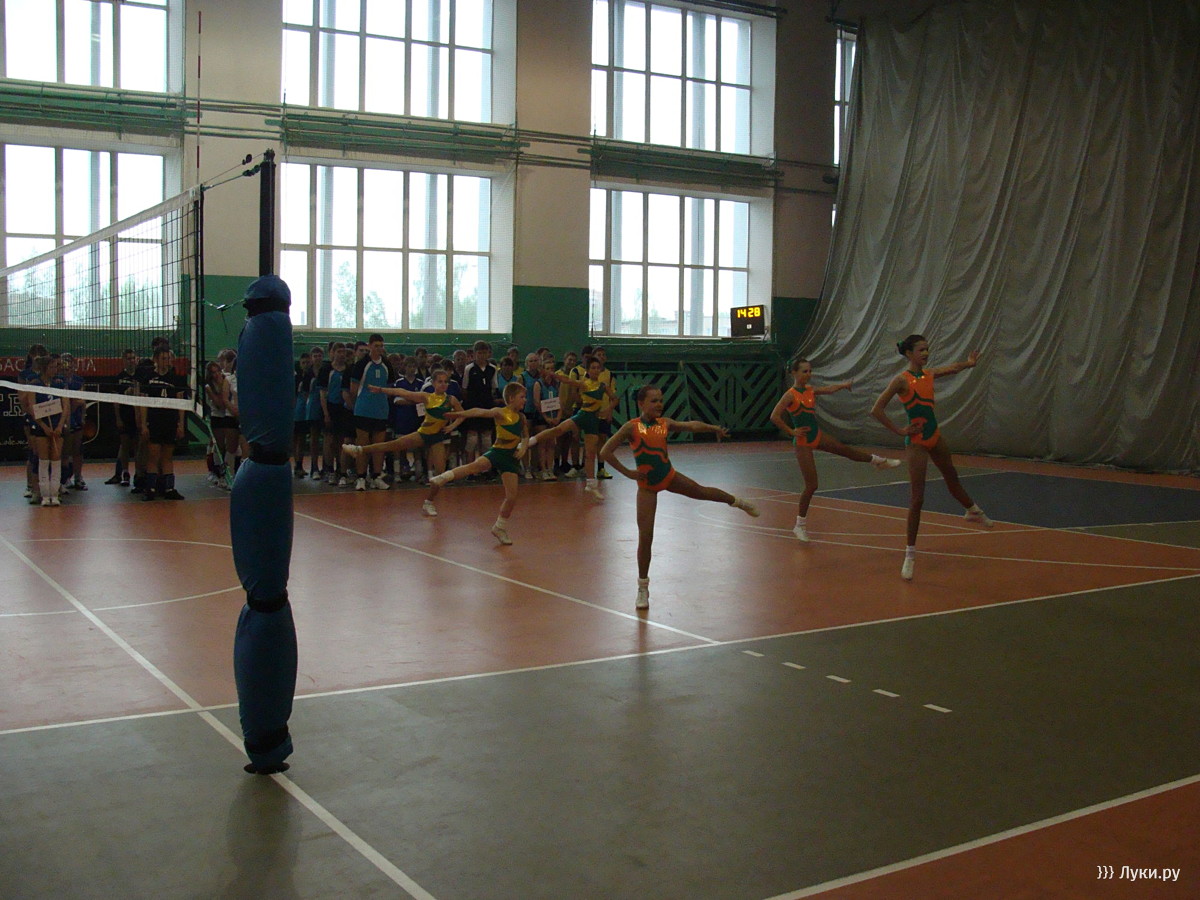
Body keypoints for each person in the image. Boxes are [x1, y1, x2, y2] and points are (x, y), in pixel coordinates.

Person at [600, 384, 760, 609]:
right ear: (641, 403)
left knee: (701, 491)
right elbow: (605, 451)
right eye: (654, 401)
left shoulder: (664, 424)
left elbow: (691, 426)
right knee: (646, 536)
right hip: (646, 487)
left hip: (669, 476)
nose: (659, 404)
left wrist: (713, 427)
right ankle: (643, 588)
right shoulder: (632, 427)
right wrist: (629, 473)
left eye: (661, 400)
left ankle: (738, 502)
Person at [870, 334, 994, 581]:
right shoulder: (901, 380)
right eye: (921, 350)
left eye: (927, 349)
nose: (926, 353)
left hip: (934, 436)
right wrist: (900, 431)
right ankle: (910, 554)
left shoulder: (928, 374)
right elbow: (876, 410)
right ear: (909, 353)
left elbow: (951, 368)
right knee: (917, 499)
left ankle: (972, 510)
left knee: (952, 477)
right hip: (916, 442)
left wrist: (969, 364)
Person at [769, 356, 902, 542]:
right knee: (812, 485)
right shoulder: (790, 395)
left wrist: (843, 386)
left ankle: (878, 461)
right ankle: (799, 525)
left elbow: (827, 389)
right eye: (804, 371)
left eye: (810, 371)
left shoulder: (809, 390)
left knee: (845, 450)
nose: (808, 374)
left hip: (817, 435)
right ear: (794, 373)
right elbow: (774, 416)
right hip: (802, 442)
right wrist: (791, 431)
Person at [343, 368, 463, 510]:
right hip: (423, 434)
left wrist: (451, 426)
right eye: (440, 382)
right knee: (393, 445)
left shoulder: (451, 399)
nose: (443, 384)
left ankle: (429, 502)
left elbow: (462, 414)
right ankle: (359, 449)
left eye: (446, 382)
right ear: (433, 383)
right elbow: (402, 392)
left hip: (437, 438)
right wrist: (381, 390)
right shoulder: (426, 397)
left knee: (440, 476)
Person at [427, 381, 531, 545]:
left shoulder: (522, 417)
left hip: (511, 458)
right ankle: (442, 477)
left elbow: (525, 436)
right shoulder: (500, 412)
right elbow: (479, 411)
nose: (525, 400)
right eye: (522, 397)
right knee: (475, 466)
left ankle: (499, 527)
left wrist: (523, 448)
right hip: (497, 452)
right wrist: (459, 414)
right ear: (511, 398)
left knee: (511, 497)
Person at [527, 355, 608, 501]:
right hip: (582, 415)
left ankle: (591, 484)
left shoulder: (603, 386)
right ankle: (531, 440)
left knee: (590, 454)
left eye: (598, 368)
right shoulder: (584, 383)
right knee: (558, 430)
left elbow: (614, 398)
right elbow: (567, 380)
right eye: (593, 368)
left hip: (593, 420)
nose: (596, 370)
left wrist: (608, 410)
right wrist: (553, 374)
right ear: (588, 370)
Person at [346, 334, 397, 490]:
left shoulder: (387, 365)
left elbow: (390, 388)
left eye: (381, 346)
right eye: (376, 346)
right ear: (369, 346)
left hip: (381, 411)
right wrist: (359, 404)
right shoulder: (362, 364)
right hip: (363, 410)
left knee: (379, 446)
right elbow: (353, 389)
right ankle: (361, 477)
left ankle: (376, 476)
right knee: (362, 445)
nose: (379, 348)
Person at [137, 345, 187, 500]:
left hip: (170, 421)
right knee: (153, 455)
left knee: (167, 455)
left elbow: (180, 403)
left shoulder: (175, 378)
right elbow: (143, 403)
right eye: (164, 358)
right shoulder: (148, 378)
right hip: (154, 421)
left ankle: (169, 488)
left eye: (169, 358)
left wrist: (180, 424)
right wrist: (143, 424)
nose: (167, 361)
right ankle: (150, 488)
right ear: (156, 360)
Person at [19, 355, 65, 507]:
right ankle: (45, 496)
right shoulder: (35, 384)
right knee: (43, 460)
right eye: (52, 367)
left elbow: (65, 407)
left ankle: (55, 494)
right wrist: (44, 427)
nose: (55, 369)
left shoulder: (60, 384)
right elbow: (32, 408)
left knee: (56, 459)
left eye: (56, 367)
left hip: (57, 426)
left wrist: (60, 426)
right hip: (41, 427)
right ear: (45, 368)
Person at [105, 349, 141, 486]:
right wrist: (118, 419)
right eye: (128, 358)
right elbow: (116, 401)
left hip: (138, 416)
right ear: (124, 361)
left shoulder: (141, 376)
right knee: (125, 445)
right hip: (125, 415)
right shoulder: (119, 378)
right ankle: (125, 473)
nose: (131, 361)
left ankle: (139, 474)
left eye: (133, 358)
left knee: (138, 446)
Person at [205, 360, 238, 490]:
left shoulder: (227, 379)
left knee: (232, 447)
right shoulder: (209, 387)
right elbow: (220, 404)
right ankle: (217, 473)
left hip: (228, 416)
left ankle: (228, 474)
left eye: (218, 371)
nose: (217, 374)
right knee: (219, 447)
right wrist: (223, 393)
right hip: (217, 417)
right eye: (213, 372)